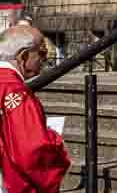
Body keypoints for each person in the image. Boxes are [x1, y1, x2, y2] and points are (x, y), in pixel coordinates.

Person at [0, 26, 71, 193]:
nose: (44, 60)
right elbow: (31, 151)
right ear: (23, 56)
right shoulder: (15, 91)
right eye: (42, 53)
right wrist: (55, 143)